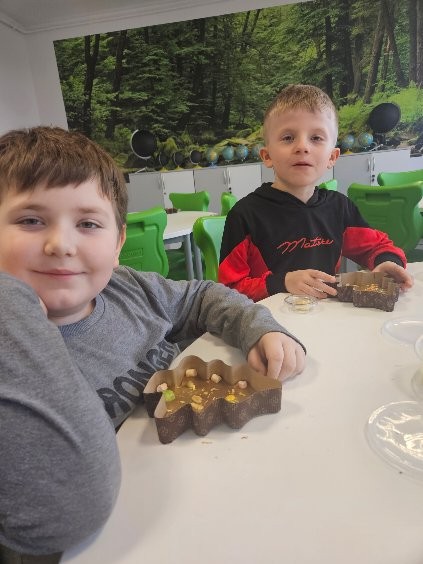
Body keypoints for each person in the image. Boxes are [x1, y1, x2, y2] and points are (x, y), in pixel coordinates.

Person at [0, 126, 306, 561]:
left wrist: (258, 328)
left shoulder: (127, 288)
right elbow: (61, 516)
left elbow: (201, 296)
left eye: (88, 224)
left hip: (208, 498)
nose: (61, 244)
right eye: (31, 220)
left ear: (118, 243)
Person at [218, 84, 414, 302]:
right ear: (267, 156)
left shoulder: (339, 208)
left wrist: (387, 262)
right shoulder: (244, 215)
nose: (302, 147)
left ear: (332, 157)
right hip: (265, 321)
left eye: (316, 138)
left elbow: (377, 246)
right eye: (288, 138)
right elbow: (228, 291)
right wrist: (282, 282)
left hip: (325, 316)